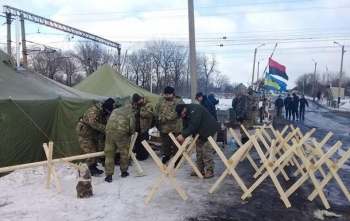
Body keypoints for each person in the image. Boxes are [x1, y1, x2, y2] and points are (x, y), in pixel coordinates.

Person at [175, 103, 220, 179]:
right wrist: (184, 134)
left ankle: (210, 170)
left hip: (209, 131)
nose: (182, 116)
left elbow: (194, 125)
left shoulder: (195, 110)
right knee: (199, 151)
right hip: (199, 133)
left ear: (184, 109)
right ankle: (200, 169)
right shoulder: (185, 113)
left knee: (207, 151)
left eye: (181, 114)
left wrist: (183, 135)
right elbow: (186, 125)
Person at [76, 99, 113, 176]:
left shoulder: (103, 111)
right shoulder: (93, 112)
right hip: (85, 133)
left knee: (96, 148)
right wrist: (107, 129)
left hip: (93, 133)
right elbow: (94, 124)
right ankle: (92, 168)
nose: (109, 113)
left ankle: (94, 163)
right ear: (105, 108)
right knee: (89, 150)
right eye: (109, 111)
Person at [104, 101, 135, 183]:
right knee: (123, 152)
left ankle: (108, 175)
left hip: (109, 132)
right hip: (121, 133)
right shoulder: (130, 113)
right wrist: (130, 133)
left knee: (109, 153)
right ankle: (124, 171)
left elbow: (109, 120)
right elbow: (132, 126)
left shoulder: (115, 110)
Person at [155, 86, 184, 166]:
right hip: (164, 128)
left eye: (169, 94)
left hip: (175, 128)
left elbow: (176, 113)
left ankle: (177, 158)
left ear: (173, 93)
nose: (168, 96)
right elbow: (157, 109)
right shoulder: (161, 100)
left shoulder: (178, 101)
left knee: (176, 145)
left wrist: (165, 118)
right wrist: (157, 118)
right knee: (165, 144)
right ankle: (166, 156)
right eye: (166, 94)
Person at [132, 93, 154, 161]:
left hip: (144, 127)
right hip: (136, 126)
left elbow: (149, 114)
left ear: (140, 99)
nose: (137, 103)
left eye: (137, 101)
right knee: (137, 142)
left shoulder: (148, 104)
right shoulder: (135, 105)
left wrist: (139, 113)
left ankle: (144, 156)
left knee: (143, 142)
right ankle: (138, 155)